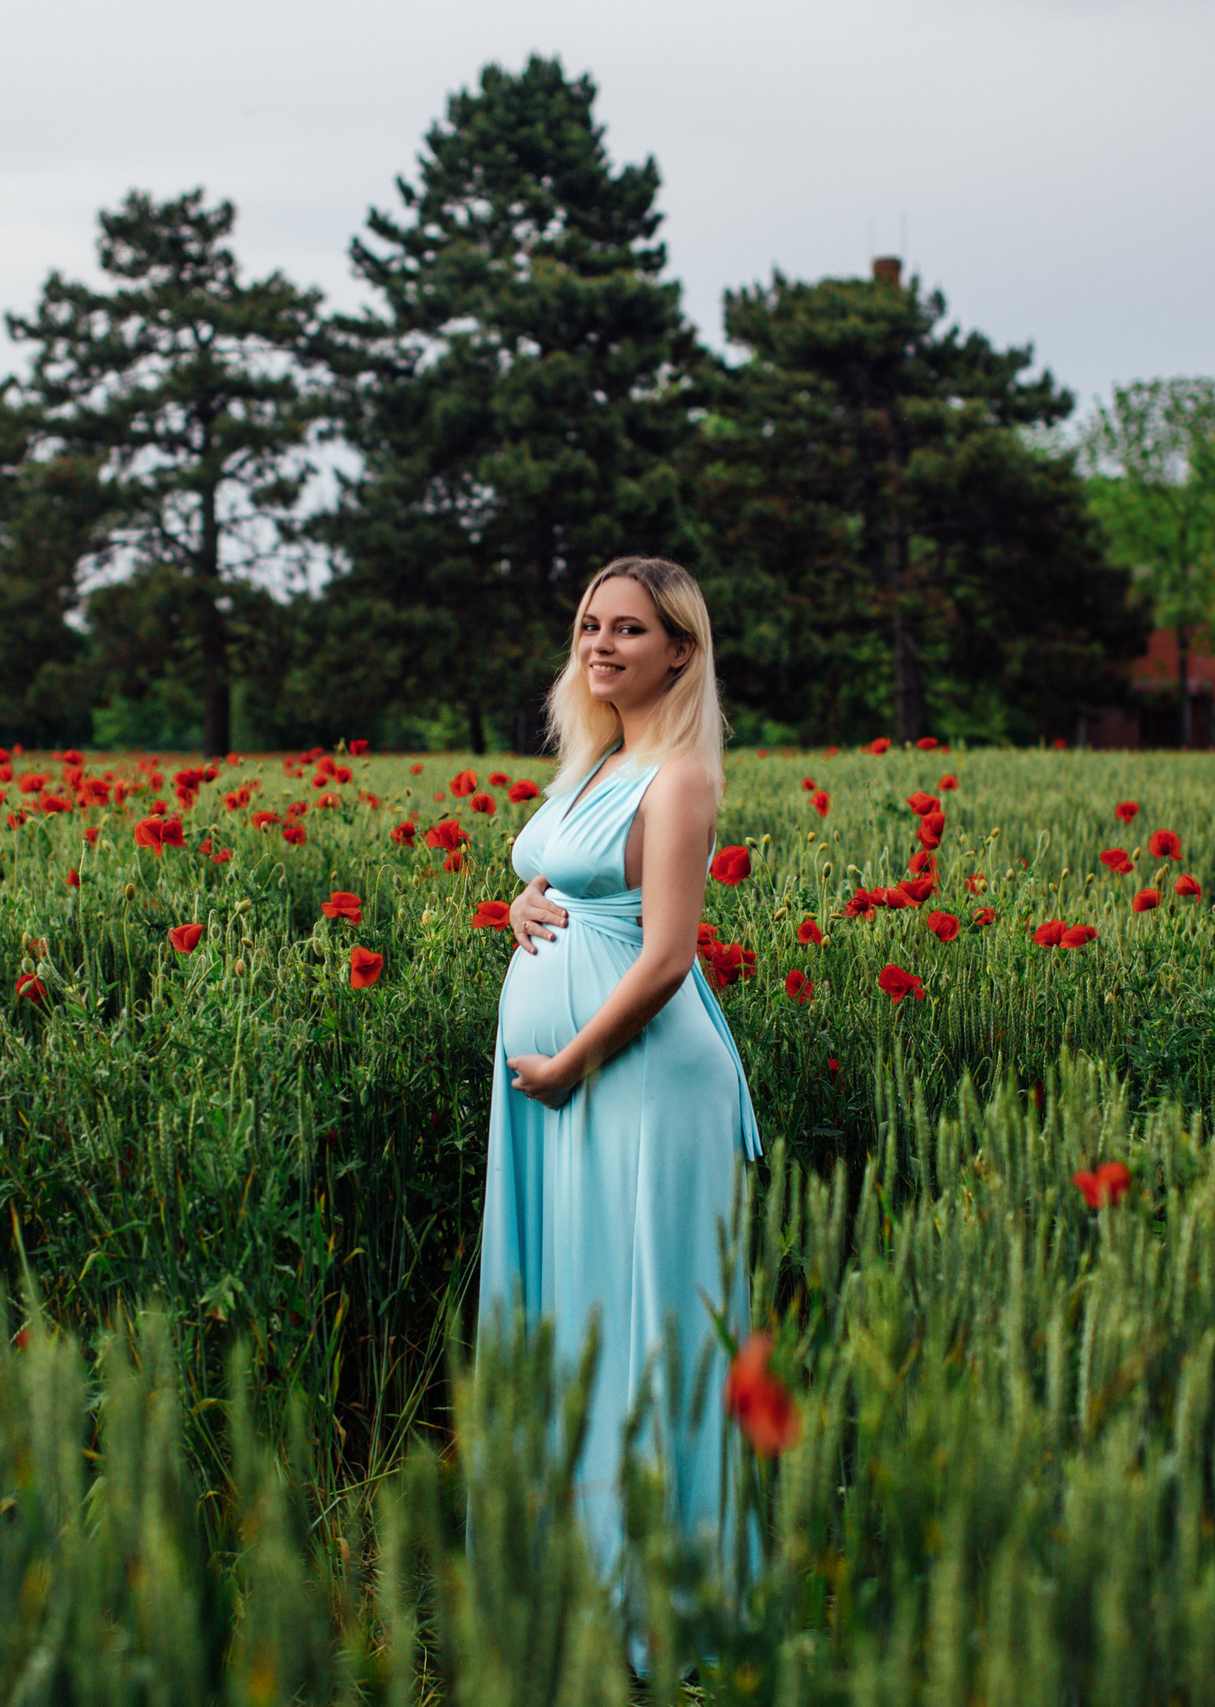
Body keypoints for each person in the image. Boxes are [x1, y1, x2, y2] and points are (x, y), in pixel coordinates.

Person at [479, 555, 765, 1585]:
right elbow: (565, 880)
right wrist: (520, 905)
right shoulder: (593, 762)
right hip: (563, 1073)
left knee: (642, 1303)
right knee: (575, 1297)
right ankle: (575, 1563)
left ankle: (662, 1584)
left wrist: (569, 1061)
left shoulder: (680, 772)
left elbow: (667, 954)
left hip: (637, 1070)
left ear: (680, 651)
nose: (601, 644)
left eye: (630, 630)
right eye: (591, 625)